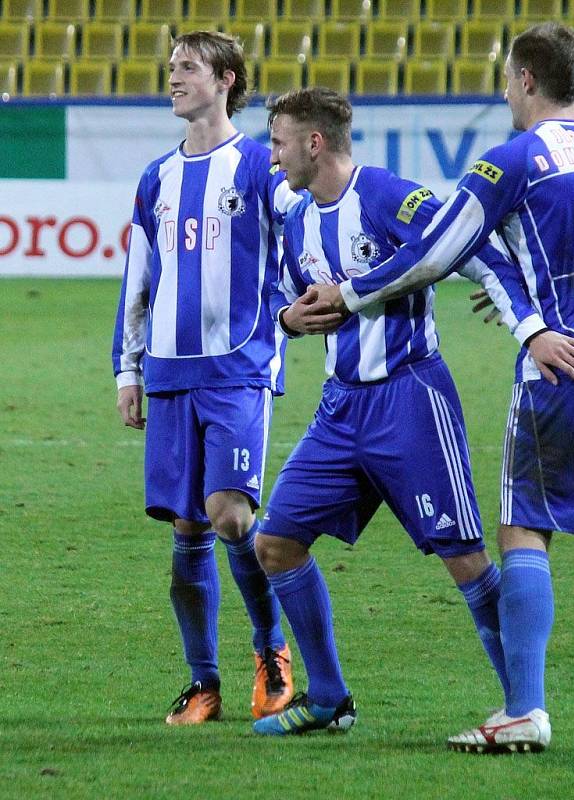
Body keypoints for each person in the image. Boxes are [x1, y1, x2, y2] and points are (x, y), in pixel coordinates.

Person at [309, 22, 574, 753]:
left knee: (524, 533)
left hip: (561, 366)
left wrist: (350, 294)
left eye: (505, 78)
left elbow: (433, 253)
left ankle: (524, 709)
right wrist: (529, 292)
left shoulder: (511, 158)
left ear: (523, 80)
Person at [249, 87, 543, 737]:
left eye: (278, 141)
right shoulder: (299, 218)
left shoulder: (386, 195)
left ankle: (522, 705)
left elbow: (460, 243)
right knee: (276, 543)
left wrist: (515, 295)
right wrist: (287, 319)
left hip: (410, 398)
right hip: (339, 408)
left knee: (465, 558)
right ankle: (328, 700)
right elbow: (293, 302)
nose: (272, 154)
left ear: (314, 142)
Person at [112, 31, 298, 725]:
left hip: (239, 366)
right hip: (166, 371)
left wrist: (297, 310)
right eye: (170, 68)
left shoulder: (259, 166)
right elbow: (138, 277)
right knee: (188, 528)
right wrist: (127, 368)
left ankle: (272, 652)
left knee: (231, 514)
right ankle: (203, 684)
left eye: (187, 68)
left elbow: (299, 248)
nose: (173, 78)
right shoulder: (156, 176)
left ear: (225, 79)